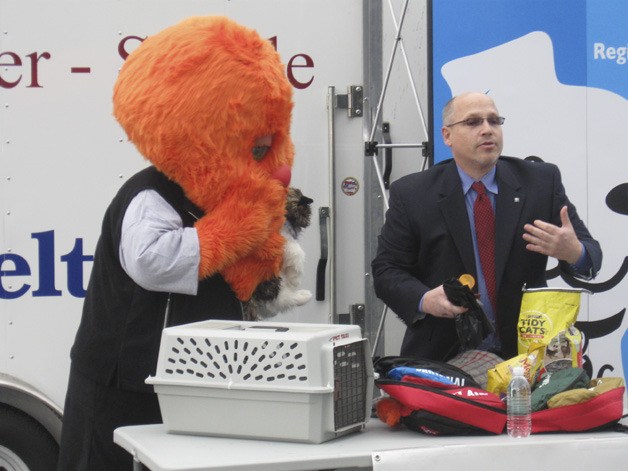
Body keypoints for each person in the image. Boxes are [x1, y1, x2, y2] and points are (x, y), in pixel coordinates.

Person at [57, 17, 294, 470]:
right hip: (126, 380)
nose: (264, 150)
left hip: (195, 378)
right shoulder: (151, 193)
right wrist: (234, 226)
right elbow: (153, 262)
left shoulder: (223, 194)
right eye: (253, 145)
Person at [371, 92, 602, 362]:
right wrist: (425, 299)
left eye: (494, 121)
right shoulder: (413, 194)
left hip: (528, 353)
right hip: (445, 356)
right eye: (473, 122)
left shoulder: (540, 183)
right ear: (447, 136)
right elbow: (386, 271)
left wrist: (574, 252)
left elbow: (592, 257)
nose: (487, 130)